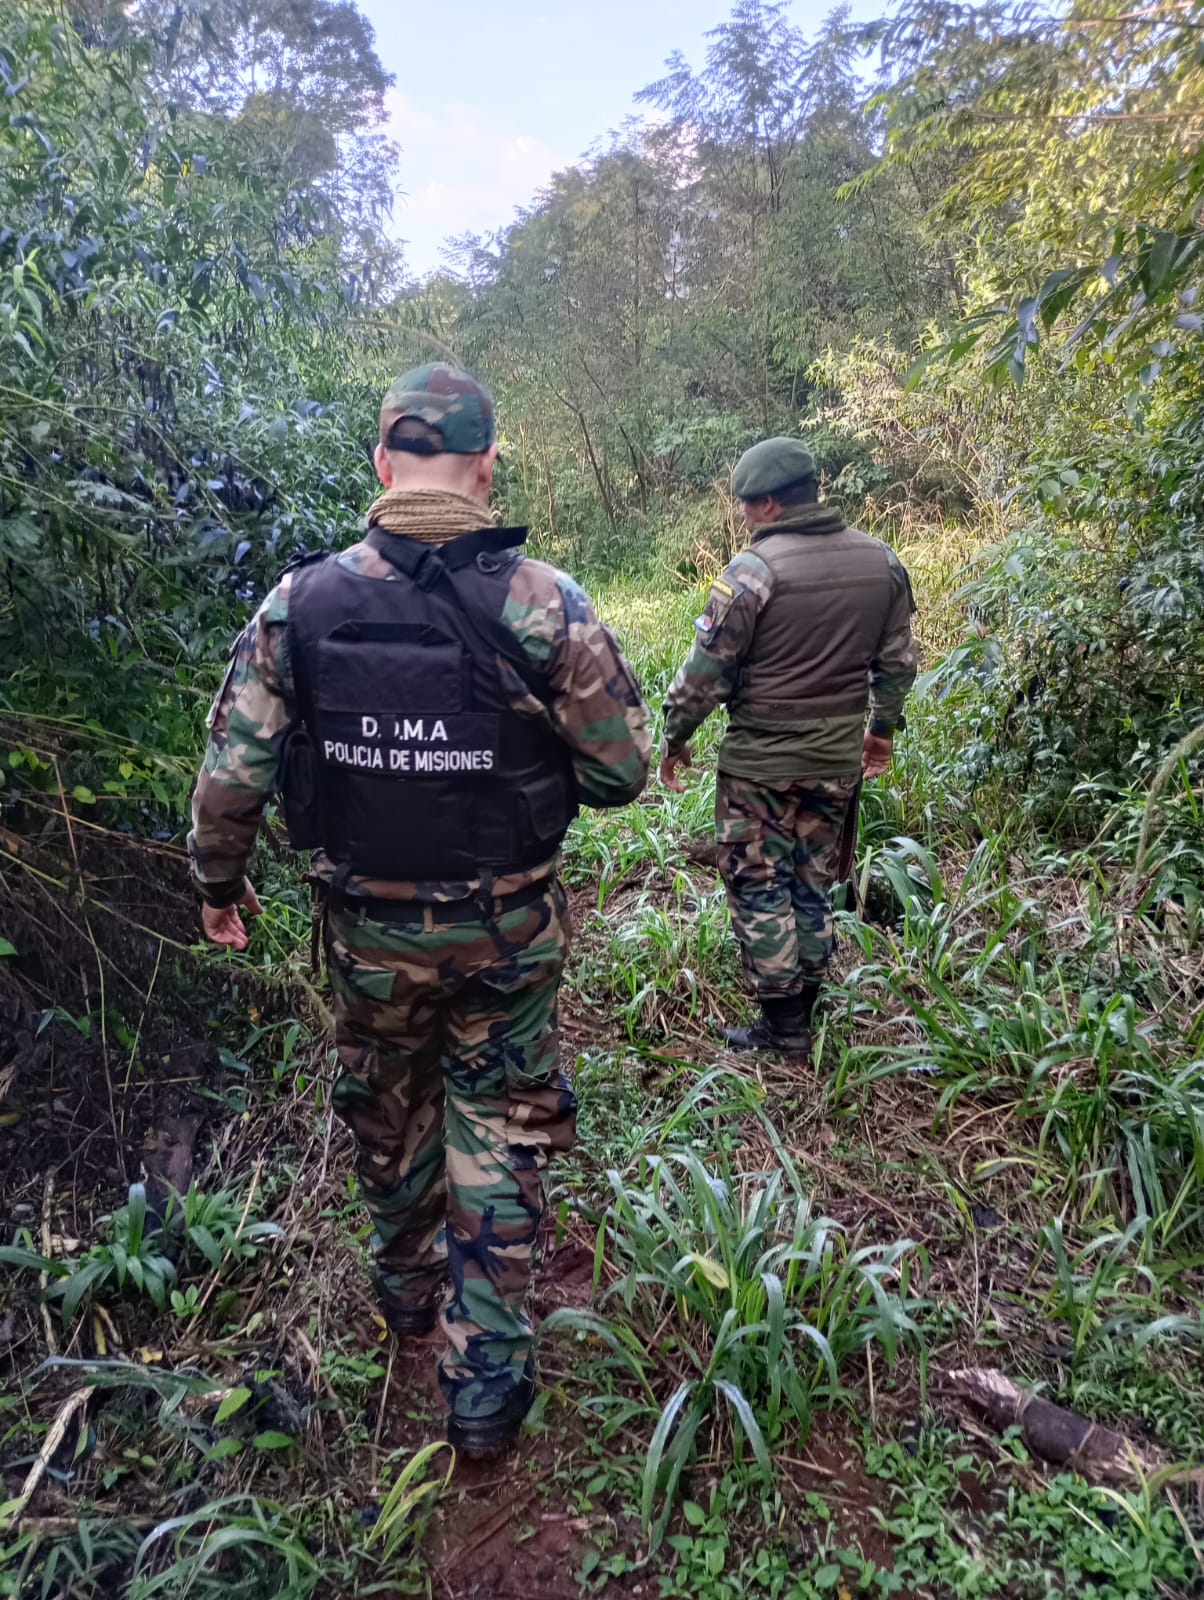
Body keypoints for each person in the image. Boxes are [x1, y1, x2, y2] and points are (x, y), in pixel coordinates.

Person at [189, 364, 650, 1458]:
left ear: (382, 464)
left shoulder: (298, 604)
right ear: (488, 467)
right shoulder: (546, 601)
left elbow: (229, 781)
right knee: (502, 1128)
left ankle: (405, 1300)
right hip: (508, 936)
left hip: (367, 937)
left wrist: (218, 886)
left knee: (386, 1104)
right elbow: (623, 772)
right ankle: (484, 1387)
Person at [659, 437, 916, 1058]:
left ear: (770, 503)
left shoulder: (753, 571)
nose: (744, 517)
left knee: (759, 882)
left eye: (748, 505)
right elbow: (897, 663)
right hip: (834, 764)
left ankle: (783, 1027)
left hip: (759, 768)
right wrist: (880, 730)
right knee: (812, 877)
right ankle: (805, 1002)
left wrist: (675, 735)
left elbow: (706, 673)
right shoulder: (881, 562)